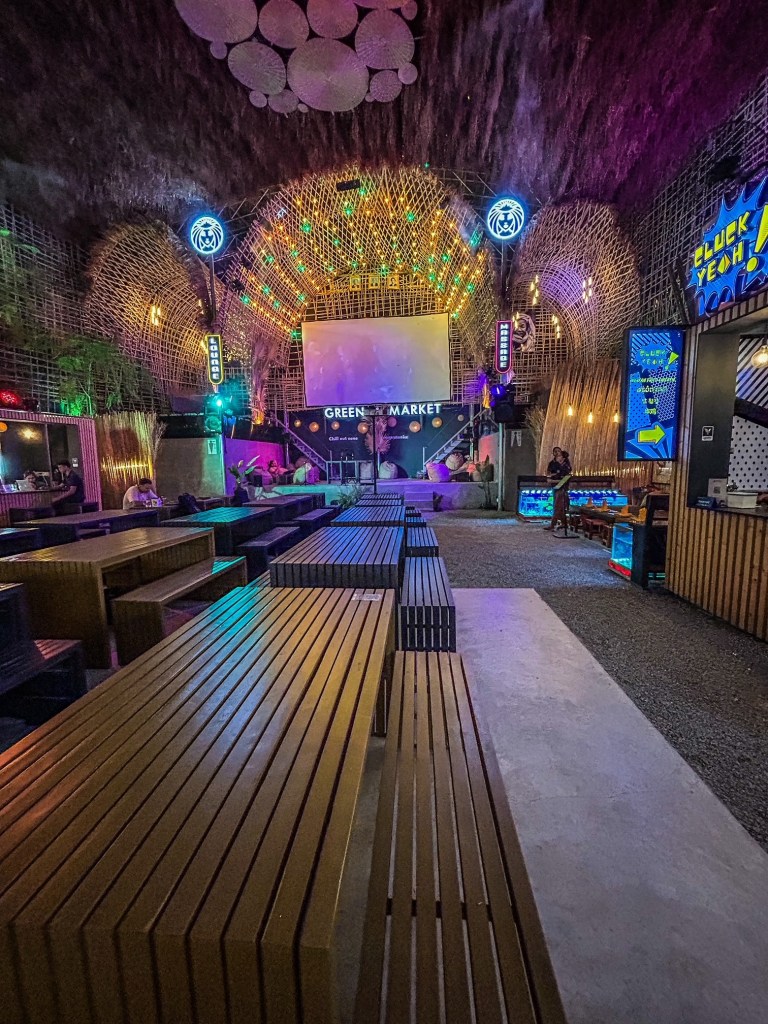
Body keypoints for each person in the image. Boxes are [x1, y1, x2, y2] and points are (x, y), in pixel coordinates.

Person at [544, 450, 573, 534]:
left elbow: (564, 479)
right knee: (560, 507)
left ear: (563, 458)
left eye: (559, 456)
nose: (557, 457)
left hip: (562, 489)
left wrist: (553, 481)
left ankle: (552, 524)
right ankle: (564, 523)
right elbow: (550, 475)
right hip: (556, 488)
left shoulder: (566, 467)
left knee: (557, 507)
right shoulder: (555, 465)